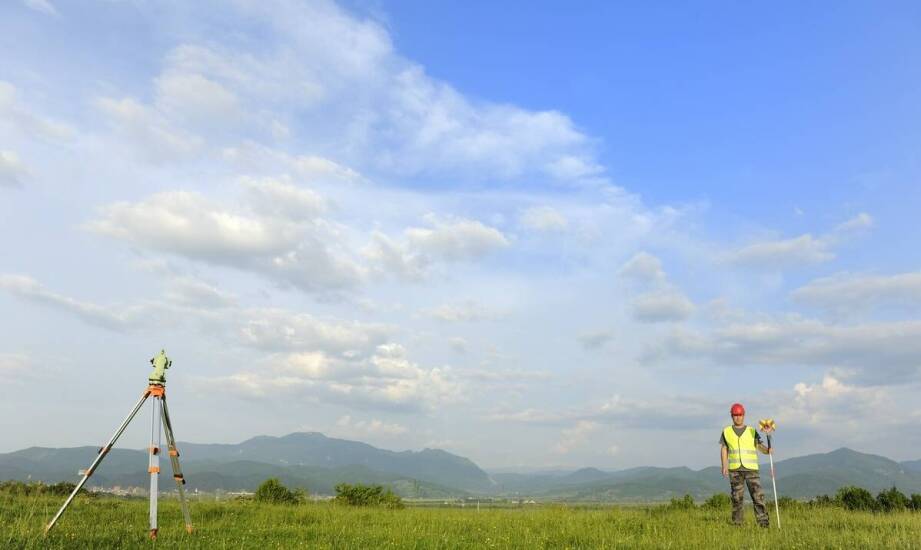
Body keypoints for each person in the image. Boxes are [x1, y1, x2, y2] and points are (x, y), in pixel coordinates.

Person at [720, 402, 771, 527]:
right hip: (735, 470)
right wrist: (724, 465)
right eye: (735, 415)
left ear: (744, 415)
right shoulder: (726, 431)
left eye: (740, 414)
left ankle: (763, 524)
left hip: (751, 470)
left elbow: (759, 446)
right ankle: (737, 524)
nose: (737, 417)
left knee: (758, 498)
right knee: (737, 499)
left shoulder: (752, 431)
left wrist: (767, 451)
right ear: (731, 416)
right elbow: (724, 449)